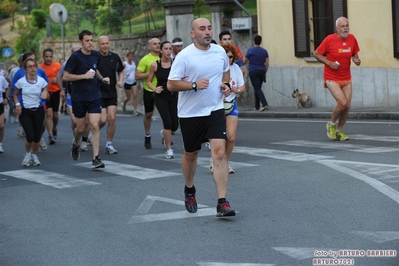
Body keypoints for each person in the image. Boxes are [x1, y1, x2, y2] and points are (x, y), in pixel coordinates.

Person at [167, 18, 236, 217]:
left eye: (209, 28)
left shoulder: (219, 51)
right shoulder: (185, 56)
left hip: (214, 109)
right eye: (202, 29)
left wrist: (226, 86)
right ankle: (190, 189)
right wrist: (194, 85)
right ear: (193, 33)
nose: (207, 32)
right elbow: (172, 84)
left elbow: (225, 74)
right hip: (191, 113)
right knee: (192, 154)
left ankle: (222, 202)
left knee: (220, 154)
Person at [63, 30, 109, 169]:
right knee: (81, 128)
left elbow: (95, 70)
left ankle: (96, 158)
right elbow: (66, 76)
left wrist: (102, 78)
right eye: (87, 40)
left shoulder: (96, 55)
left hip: (94, 95)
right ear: (81, 42)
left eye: (91, 40)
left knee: (94, 125)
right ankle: (76, 143)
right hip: (79, 97)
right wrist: (83, 76)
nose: (90, 43)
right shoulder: (75, 57)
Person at [313, 17, 361, 141]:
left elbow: (355, 56)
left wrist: (357, 60)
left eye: (347, 26)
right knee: (342, 103)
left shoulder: (352, 39)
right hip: (331, 77)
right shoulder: (329, 39)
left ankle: (339, 130)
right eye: (342, 26)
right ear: (337, 28)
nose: (345, 28)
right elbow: (316, 54)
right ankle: (332, 124)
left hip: (346, 77)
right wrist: (329, 63)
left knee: (348, 106)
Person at [209, 43, 246, 174]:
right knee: (219, 137)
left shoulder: (236, 68)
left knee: (231, 138)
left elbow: (243, 87)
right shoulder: (215, 69)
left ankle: (224, 163)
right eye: (226, 56)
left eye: (231, 56)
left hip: (231, 104)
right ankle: (215, 160)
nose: (228, 59)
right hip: (217, 105)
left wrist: (237, 90)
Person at [13, 58, 49, 166]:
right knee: (30, 135)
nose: (32, 68)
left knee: (37, 136)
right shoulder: (21, 82)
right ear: (25, 69)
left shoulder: (41, 81)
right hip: (25, 111)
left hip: (38, 110)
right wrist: (17, 104)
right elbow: (15, 94)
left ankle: (34, 155)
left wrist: (45, 93)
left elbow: (46, 91)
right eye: (29, 66)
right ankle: (27, 155)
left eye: (34, 66)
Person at [147, 41, 178, 159]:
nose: (168, 51)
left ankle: (165, 134)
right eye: (166, 49)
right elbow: (148, 81)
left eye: (170, 49)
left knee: (175, 125)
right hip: (161, 97)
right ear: (161, 51)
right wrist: (155, 89)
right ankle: (169, 149)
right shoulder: (155, 65)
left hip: (173, 96)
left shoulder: (175, 64)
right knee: (168, 122)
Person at [58, 45, 91, 152]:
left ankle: (84, 141)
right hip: (71, 95)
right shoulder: (66, 64)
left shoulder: (87, 61)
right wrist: (62, 89)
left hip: (85, 95)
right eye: (74, 52)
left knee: (86, 122)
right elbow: (59, 76)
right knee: (75, 121)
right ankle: (76, 137)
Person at [97, 36, 124, 155]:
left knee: (112, 118)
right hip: (98, 92)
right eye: (102, 44)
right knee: (102, 120)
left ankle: (109, 144)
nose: (105, 46)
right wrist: (101, 79)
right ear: (98, 45)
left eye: (107, 43)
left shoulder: (115, 57)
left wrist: (121, 80)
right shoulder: (95, 57)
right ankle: (92, 131)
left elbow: (120, 71)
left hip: (111, 92)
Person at [135, 38, 161, 149]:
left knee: (167, 114)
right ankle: (147, 135)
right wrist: (150, 73)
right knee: (148, 114)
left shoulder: (165, 57)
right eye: (155, 44)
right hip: (150, 90)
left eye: (159, 43)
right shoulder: (145, 60)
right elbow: (137, 76)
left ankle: (167, 134)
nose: (157, 45)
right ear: (150, 47)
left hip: (163, 89)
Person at [39, 48, 63, 144]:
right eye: (46, 57)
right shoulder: (40, 67)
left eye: (50, 57)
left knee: (55, 115)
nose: (48, 59)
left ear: (52, 57)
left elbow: (63, 77)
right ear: (43, 57)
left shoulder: (57, 66)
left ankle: (54, 128)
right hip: (45, 93)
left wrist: (57, 81)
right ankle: (50, 135)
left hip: (55, 92)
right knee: (48, 114)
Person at [242, 35, 269, 111]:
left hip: (253, 71)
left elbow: (244, 61)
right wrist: (265, 72)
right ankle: (256, 106)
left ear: (254, 41)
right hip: (262, 71)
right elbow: (267, 63)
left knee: (257, 88)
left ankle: (264, 104)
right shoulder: (264, 51)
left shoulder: (250, 50)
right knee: (257, 88)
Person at [122, 52, 139, 116]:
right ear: (127, 57)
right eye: (129, 56)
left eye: (131, 56)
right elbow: (120, 72)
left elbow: (135, 71)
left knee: (135, 96)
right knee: (128, 97)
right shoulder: (124, 64)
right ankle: (124, 104)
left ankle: (135, 111)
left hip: (133, 81)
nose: (130, 58)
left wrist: (136, 75)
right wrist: (125, 75)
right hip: (127, 82)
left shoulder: (133, 63)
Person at [0, 74, 10, 153]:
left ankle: (0, 145)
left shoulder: (1, 78)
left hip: (0, 104)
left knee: (1, 126)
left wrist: (6, 98)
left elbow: (8, 88)